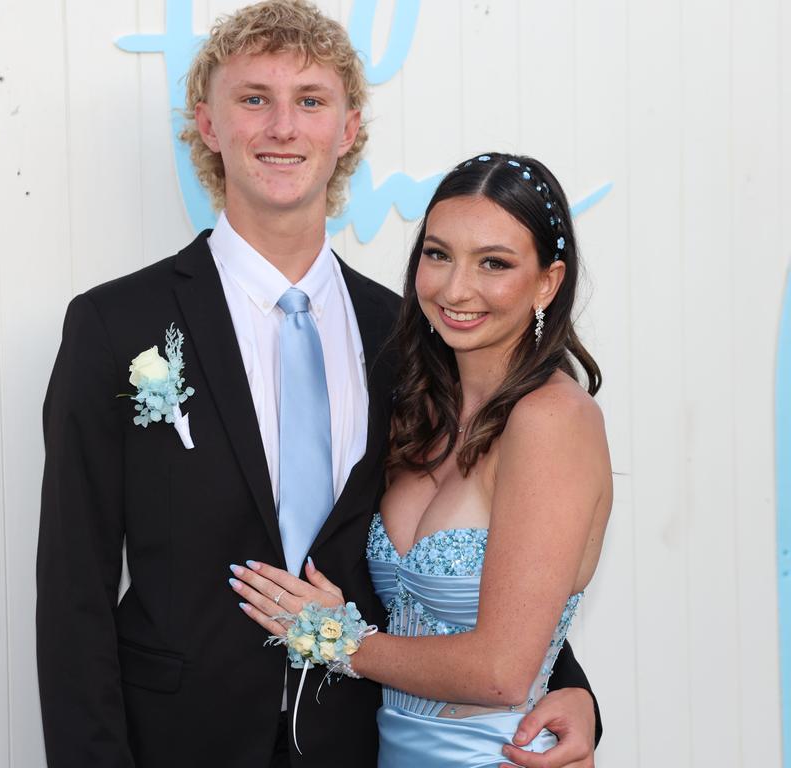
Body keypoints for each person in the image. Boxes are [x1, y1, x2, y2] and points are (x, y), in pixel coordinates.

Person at [36, 2, 600, 765]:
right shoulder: (113, 325)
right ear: (207, 124)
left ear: (349, 129)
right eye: (253, 99)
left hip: (360, 742)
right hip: (176, 740)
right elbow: (74, 587)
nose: (282, 127)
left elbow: (493, 537)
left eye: (310, 101)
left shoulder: (409, 333)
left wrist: (569, 689)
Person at [231, 151, 612, 767]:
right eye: (438, 254)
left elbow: (500, 672)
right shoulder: (420, 407)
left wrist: (330, 638)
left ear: (548, 281)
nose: (455, 288)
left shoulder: (552, 421)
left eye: (494, 263)